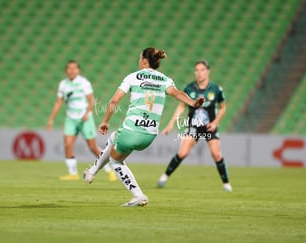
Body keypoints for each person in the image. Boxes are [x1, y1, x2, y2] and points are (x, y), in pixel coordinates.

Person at [83, 48, 204, 207]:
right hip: (150, 135)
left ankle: (138, 195)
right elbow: (177, 94)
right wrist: (193, 103)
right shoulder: (165, 80)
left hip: (132, 129)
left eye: (140, 58)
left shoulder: (133, 77)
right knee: (114, 138)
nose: (139, 61)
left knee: (116, 161)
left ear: (145, 61)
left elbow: (114, 102)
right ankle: (92, 171)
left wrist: (105, 121)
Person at [157, 60, 232, 192]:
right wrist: (171, 124)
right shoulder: (189, 88)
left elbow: (223, 108)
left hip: (210, 126)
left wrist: (215, 122)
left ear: (208, 71)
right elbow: (181, 106)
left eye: (202, 70)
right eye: (197, 70)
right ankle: (165, 176)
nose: (199, 73)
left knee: (216, 154)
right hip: (193, 127)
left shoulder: (216, 89)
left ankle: (226, 183)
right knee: (182, 153)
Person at [47, 60, 116, 181]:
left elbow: (91, 100)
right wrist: (51, 119)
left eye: (74, 68)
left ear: (78, 70)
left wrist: (87, 113)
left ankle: (109, 171)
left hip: (85, 118)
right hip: (70, 118)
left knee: (93, 147)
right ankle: (73, 173)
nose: (72, 70)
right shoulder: (63, 84)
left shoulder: (84, 83)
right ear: (66, 70)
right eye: (69, 68)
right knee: (68, 145)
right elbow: (59, 102)